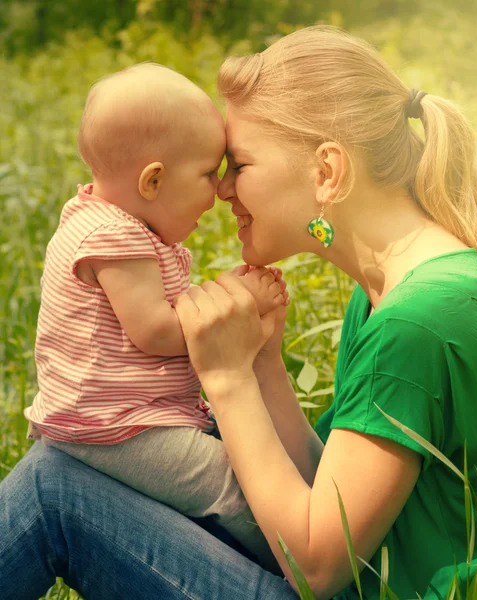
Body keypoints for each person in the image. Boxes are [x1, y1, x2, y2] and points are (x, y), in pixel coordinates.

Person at [1, 25, 477, 600]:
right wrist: (264, 366)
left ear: (327, 172)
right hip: (376, 577)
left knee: (56, 491)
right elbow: (328, 492)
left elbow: (317, 568)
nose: (223, 190)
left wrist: (227, 379)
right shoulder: (390, 294)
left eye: (240, 166)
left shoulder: (416, 323)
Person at [22, 63, 287, 572]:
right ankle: (304, 563)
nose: (219, 190)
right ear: (154, 180)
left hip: (124, 420)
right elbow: (156, 331)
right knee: (233, 485)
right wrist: (238, 303)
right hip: (119, 427)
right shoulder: (115, 238)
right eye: (210, 173)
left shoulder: (113, 226)